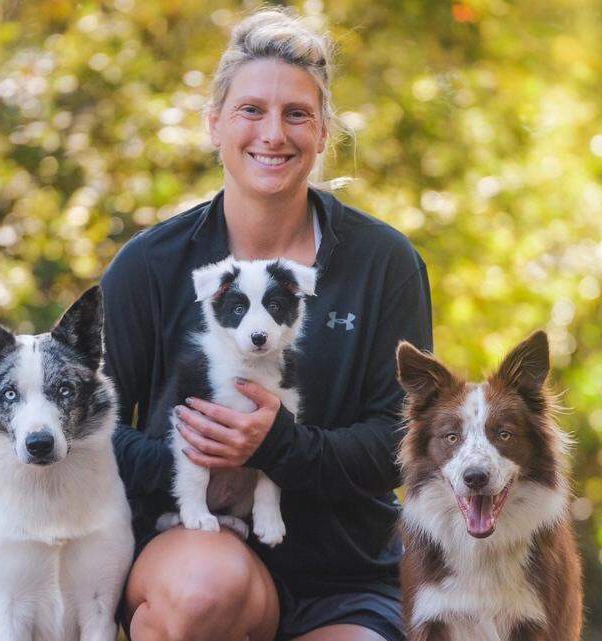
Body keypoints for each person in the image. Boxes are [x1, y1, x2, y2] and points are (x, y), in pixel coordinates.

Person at [101, 8, 432, 641]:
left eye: (297, 114)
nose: (273, 134)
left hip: (343, 575)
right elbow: (92, 424)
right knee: (202, 595)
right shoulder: (151, 265)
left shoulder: (384, 264)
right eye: (251, 110)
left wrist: (279, 445)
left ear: (323, 132)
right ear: (215, 124)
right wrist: (191, 460)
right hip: (193, 538)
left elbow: (401, 441)